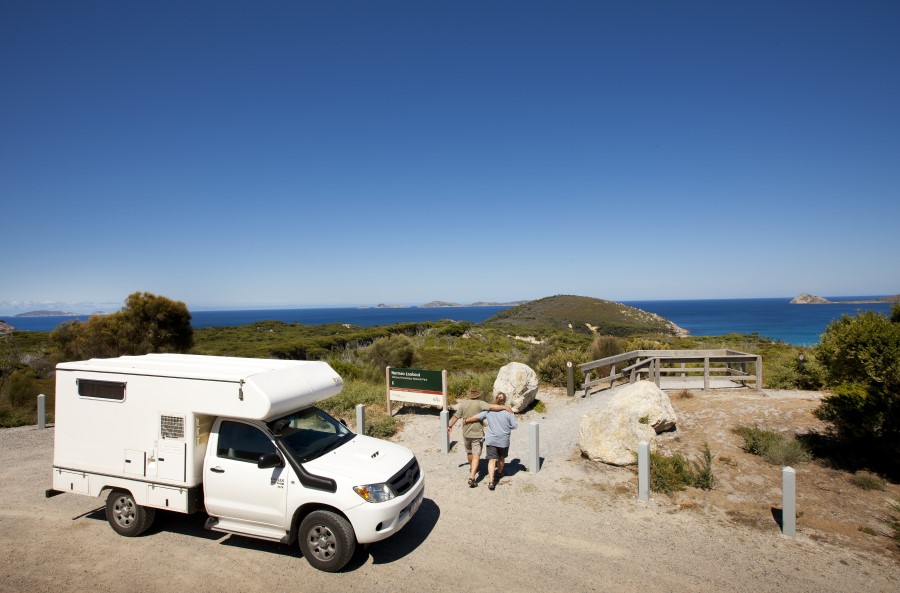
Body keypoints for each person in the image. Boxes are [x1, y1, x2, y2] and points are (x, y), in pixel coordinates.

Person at [447, 388, 512, 488]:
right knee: (476, 455)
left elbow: (456, 416)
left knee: (469, 452)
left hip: (466, 433)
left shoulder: (464, 404)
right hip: (477, 434)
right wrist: (504, 408)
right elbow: (492, 407)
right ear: (478, 395)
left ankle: (472, 467)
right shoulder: (481, 403)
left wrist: (450, 426)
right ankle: (472, 478)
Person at [464, 392, 517, 491]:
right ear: (504, 400)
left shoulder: (489, 411)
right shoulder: (509, 412)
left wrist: (466, 420)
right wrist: (506, 428)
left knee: (491, 460)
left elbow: (477, 416)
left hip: (491, 439)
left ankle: (491, 482)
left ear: (495, 399)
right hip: (503, 440)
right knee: (501, 458)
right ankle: (500, 473)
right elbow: (514, 425)